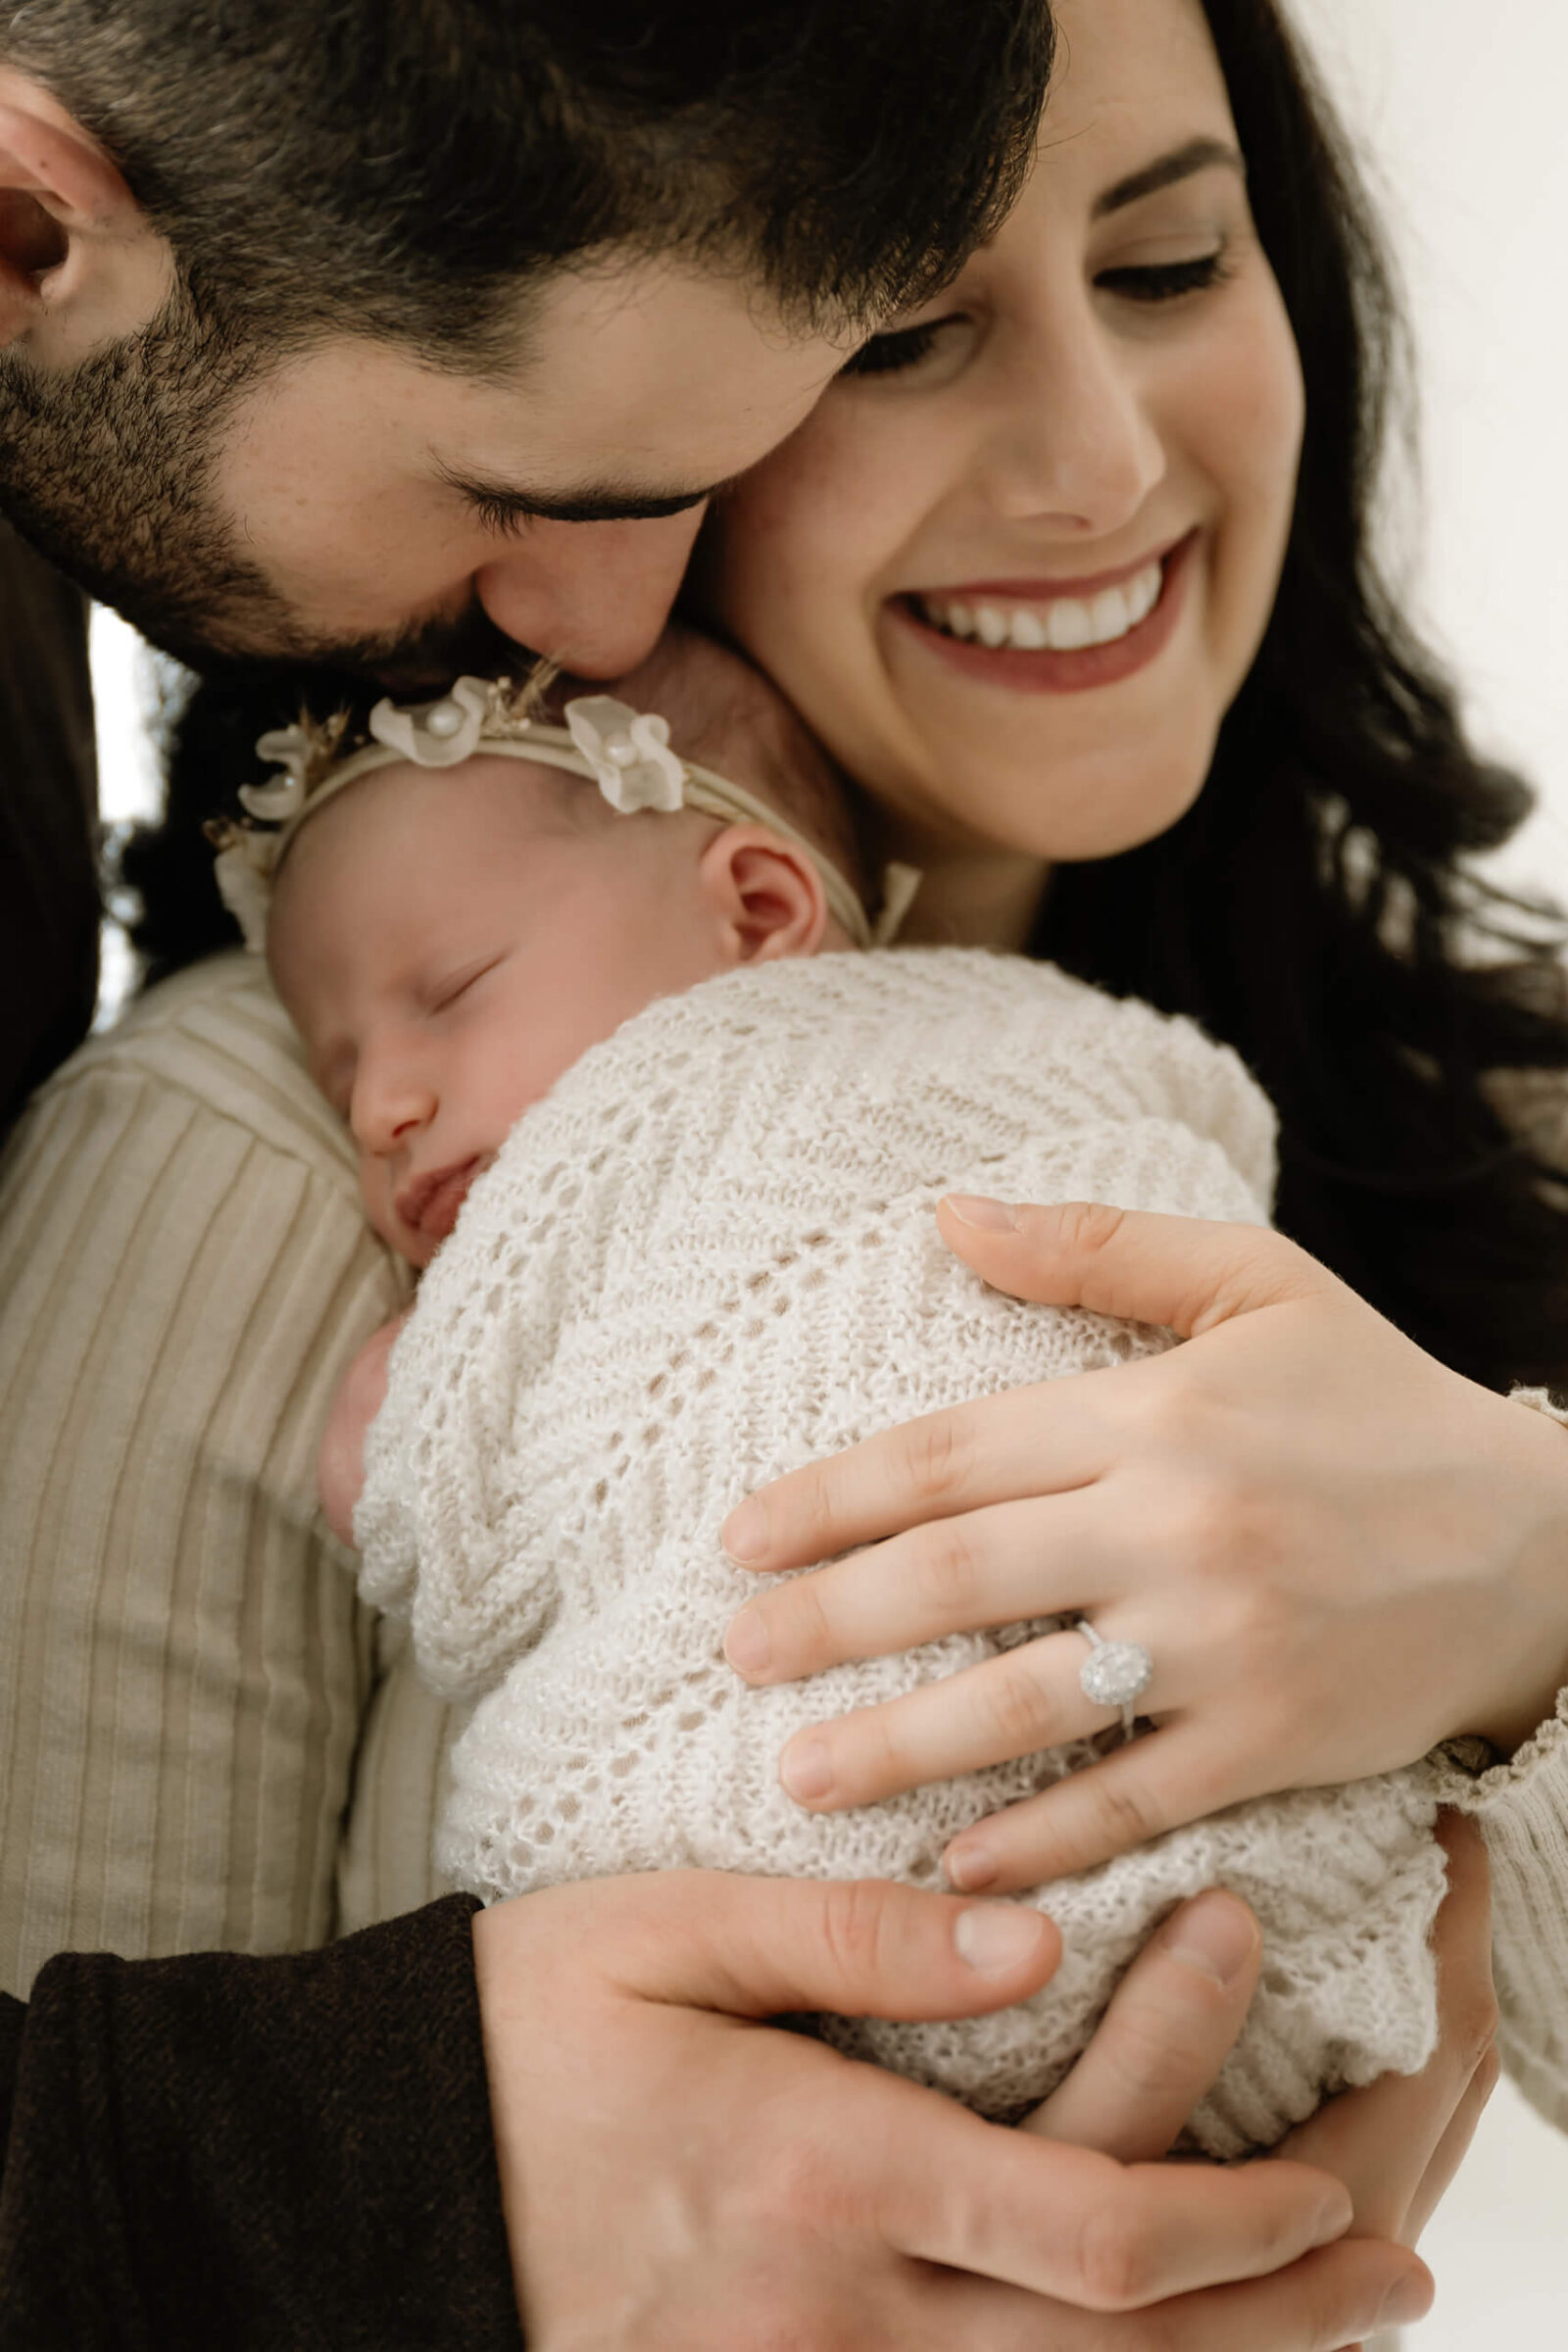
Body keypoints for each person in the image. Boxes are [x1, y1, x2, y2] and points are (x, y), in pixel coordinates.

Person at [0, 0, 1502, 2342]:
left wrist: (1520, 1595)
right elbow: (82, 2135)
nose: (1096, 463)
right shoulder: (281, 1163)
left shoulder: (1402, 1110)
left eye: (1173, 263)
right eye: (893, 334)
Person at [243, 627, 1443, 2158]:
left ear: (758, 909)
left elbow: (1234, 1370)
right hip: (810, 2024)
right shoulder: (231, 1141)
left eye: (453, 990)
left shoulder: (995, 1083)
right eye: (336, 1063)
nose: (380, 1104)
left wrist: (402, 1442)